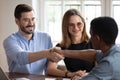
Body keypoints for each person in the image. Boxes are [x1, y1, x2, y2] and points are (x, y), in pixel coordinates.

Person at [3, 4, 64, 75]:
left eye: (33, 19)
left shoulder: (46, 38)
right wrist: (47, 53)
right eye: (26, 20)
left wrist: (68, 71)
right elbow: (20, 58)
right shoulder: (9, 41)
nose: (31, 23)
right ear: (17, 21)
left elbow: (50, 66)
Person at [54, 16, 120, 80]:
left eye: (91, 35)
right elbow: (93, 54)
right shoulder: (114, 52)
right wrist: (62, 52)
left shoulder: (108, 64)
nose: (90, 39)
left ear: (97, 38)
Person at [46, 9, 95, 78]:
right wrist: (70, 74)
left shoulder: (94, 43)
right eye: (71, 25)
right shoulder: (61, 47)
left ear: (84, 24)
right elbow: (50, 69)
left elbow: (102, 69)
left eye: (79, 24)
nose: (76, 28)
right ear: (66, 27)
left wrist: (83, 76)